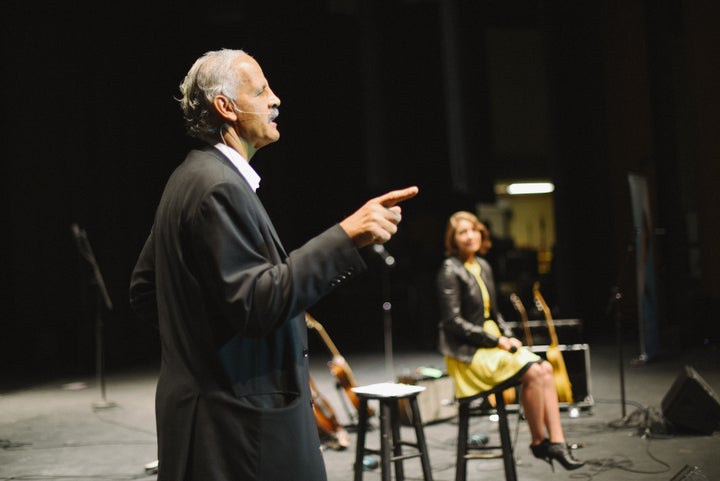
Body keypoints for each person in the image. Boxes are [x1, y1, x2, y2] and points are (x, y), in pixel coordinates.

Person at [129, 48, 418, 481]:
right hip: (239, 430)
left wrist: (207, 350)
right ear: (226, 107)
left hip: (211, 420)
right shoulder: (217, 188)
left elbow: (146, 290)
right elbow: (257, 301)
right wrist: (347, 237)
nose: (276, 99)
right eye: (262, 91)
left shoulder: (188, 178)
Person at [436, 211, 583, 471]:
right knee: (536, 373)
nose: (469, 236)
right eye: (462, 232)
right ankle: (539, 441)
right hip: (469, 353)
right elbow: (453, 323)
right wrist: (496, 341)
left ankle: (556, 443)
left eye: (473, 230)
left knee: (545, 368)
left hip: (492, 342)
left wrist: (508, 337)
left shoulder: (483, 265)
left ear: (481, 233)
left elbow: (495, 314)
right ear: (453, 239)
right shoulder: (449, 270)